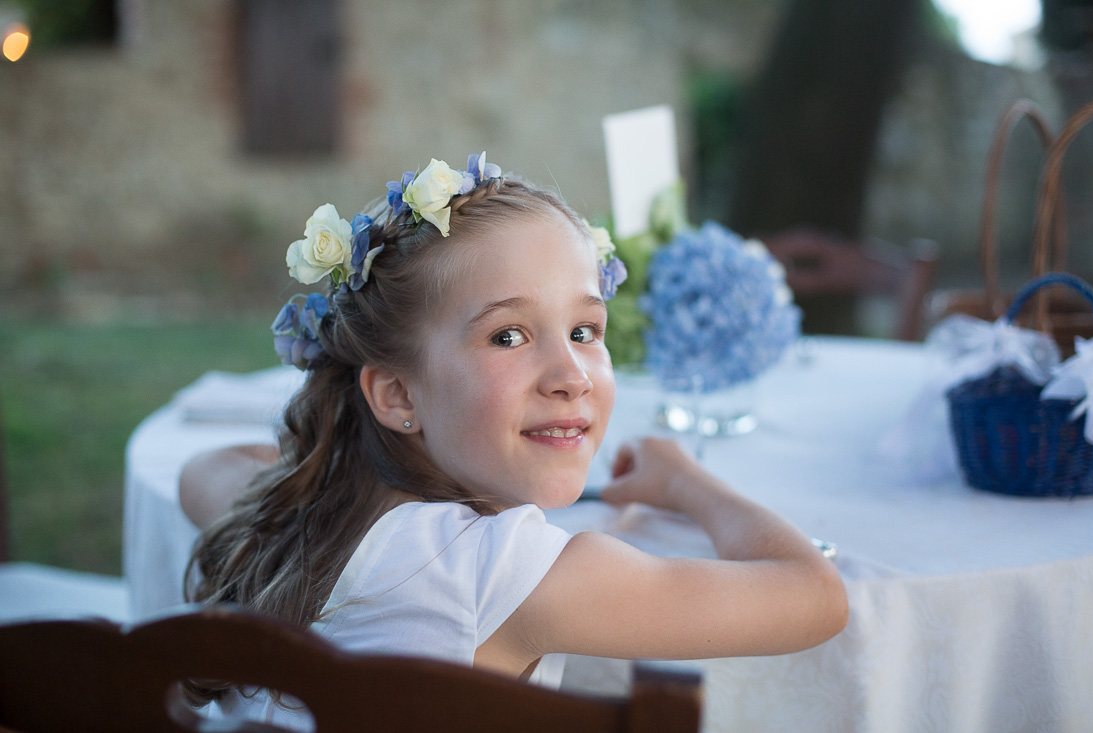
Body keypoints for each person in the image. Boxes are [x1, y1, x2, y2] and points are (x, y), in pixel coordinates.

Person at [181, 153, 848, 726]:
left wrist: (334, 450)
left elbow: (202, 469)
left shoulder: (285, 508)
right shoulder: (508, 573)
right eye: (508, 336)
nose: (571, 376)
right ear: (397, 395)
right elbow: (815, 596)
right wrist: (685, 481)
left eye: (584, 331)